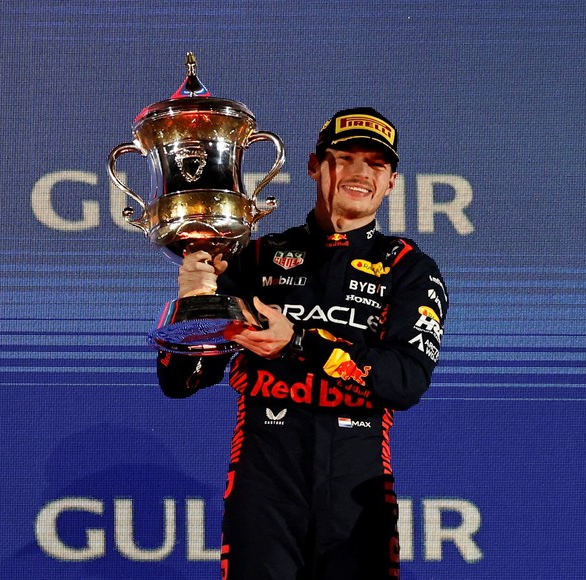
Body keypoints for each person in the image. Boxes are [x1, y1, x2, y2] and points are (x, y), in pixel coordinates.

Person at [156, 107, 448, 579]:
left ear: (392, 181)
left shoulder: (409, 268)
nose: (358, 173)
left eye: (375, 164)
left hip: (358, 487)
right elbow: (183, 380)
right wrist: (195, 303)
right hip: (264, 483)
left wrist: (300, 343)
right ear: (314, 166)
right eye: (344, 157)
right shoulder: (255, 257)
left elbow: (405, 382)